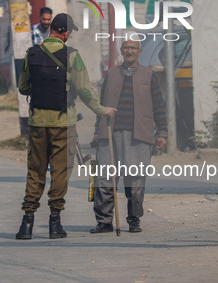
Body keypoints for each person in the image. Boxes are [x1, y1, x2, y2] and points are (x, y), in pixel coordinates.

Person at [16, 13, 116, 240]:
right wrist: (102, 110)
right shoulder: (72, 56)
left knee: (35, 172)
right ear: (65, 32)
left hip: (38, 123)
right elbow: (84, 91)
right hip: (64, 123)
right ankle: (54, 223)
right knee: (60, 172)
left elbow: (23, 88)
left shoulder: (31, 54)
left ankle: (27, 223)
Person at [90, 39, 167, 234]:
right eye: (126, 48)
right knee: (105, 178)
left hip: (138, 135)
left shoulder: (149, 75)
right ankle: (104, 222)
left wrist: (162, 132)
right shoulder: (111, 74)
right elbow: (101, 105)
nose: (130, 51)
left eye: (133, 48)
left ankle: (134, 220)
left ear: (139, 52)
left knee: (135, 181)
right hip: (110, 133)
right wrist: (97, 131)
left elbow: (159, 105)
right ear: (122, 51)